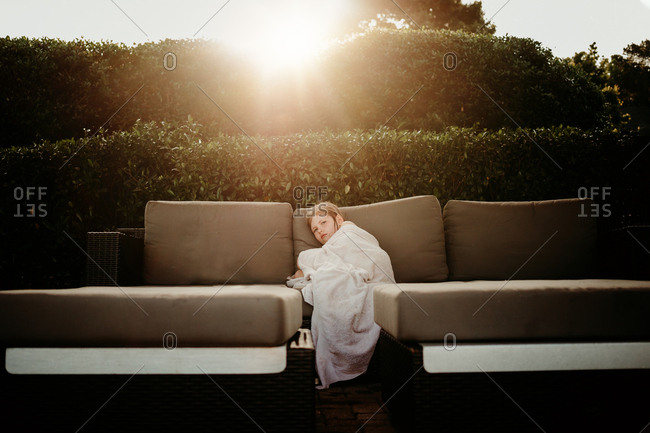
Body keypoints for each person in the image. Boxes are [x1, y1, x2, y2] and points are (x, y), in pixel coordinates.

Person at [288, 201, 394, 388]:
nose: (319, 231)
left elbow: (327, 258)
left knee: (330, 277)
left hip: (379, 280)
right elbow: (331, 259)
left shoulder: (350, 234)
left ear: (338, 219)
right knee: (332, 277)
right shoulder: (334, 246)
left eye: (323, 223)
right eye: (314, 230)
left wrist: (302, 261)